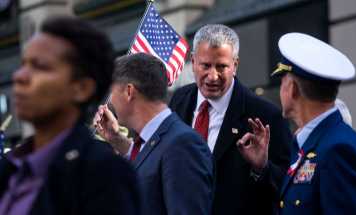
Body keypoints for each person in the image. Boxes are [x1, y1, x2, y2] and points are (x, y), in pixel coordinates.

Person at [0, 16, 139, 215]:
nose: (19, 76)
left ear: (82, 88)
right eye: (23, 64)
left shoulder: (102, 174)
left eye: (40, 66)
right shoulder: (10, 168)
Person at [237, 32, 356, 214]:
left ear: (292, 89)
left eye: (282, 82)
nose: (281, 89)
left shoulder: (338, 151)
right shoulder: (315, 143)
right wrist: (263, 167)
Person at [169, 24, 292, 215]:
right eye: (205, 65)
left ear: (235, 65)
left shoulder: (266, 116)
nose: (212, 76)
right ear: (193, 62)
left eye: (221, 66)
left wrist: (262, 168)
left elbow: (287, 188)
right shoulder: (179, 100)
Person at [93, 53, 214, 215]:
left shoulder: (182, 144)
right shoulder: (154, 141)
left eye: (111, 92)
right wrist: (116, 139)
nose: (109, 101)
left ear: (129, 92)